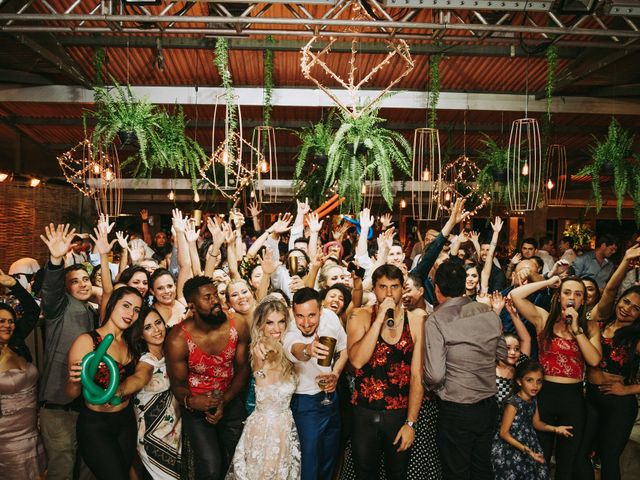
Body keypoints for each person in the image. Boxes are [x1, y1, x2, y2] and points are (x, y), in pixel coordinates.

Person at [510, 275, 602, 479]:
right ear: (558, 296)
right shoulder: (544, 319)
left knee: (567, 462)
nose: (572, 298)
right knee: (539, 457)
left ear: (584, 300)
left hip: (573, 398)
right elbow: (515, 295)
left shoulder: (590, 327)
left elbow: (594, 360)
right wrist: (548, 282)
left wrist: (577, 329)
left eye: (578, 294)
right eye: (567, 292)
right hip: (545, 396)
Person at [423, 261, 507, 480]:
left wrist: (435, 388)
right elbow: (502, 354)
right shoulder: (488, 313)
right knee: (481, 469)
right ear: (463, 285)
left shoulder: (436, 319)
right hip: (488, 405)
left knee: (456, 472)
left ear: (437, 287)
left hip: (457, 408)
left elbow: (435, 375)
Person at [166, 275, 250, 480]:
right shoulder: (178, 338)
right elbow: (177, 384)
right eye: (207, 297)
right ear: (192, 306)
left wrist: (225, 400)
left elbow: (243, 369)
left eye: (215, 295)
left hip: (230, 397)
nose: (215, 301)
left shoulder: (237, 323)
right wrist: (192, 401)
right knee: (211, 468)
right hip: (197, 407)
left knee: (237, 464)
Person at [347, 264, 425, 480]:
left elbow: (417, 375)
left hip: (398, 414)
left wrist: (411, 423)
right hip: (364, 410)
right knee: (364, 473)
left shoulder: (417, 320)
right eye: (383, 287)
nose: (389, 293)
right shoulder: (359, 316)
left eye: (395, 287)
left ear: (403, 289)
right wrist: (379, 319)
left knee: (397, 474)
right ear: (374, 289)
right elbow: (357, 360)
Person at [39, 223, 98, 480]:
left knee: (87, 465)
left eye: (85, 279)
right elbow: (50, 292)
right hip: (57, 405)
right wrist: (55, 260)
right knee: (62, 467)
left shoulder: (92, 312)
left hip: (84, 403)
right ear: (66, 288)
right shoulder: (60, 308)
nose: (83, 285)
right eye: (75, 282)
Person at [66, 286, 143, 480]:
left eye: (136, 310)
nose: (130, 313)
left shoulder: (133, 343)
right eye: (126, 305)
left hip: (126, 422)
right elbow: (71, 394)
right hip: (95, 425)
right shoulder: (87, 341)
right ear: (111, 305)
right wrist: (75, 381)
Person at [226, 297, 301, 480]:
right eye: (270, 323)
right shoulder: (262, 349)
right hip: (266, 430)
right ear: (260, 326)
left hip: (285, 424)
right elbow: (266, 353)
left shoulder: (286, 349)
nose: (277, 329)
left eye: (281, 321)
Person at [283, 287, 348, 480]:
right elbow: (294, 350)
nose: (306, 322)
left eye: (312, 315)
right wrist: (308, 350)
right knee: (309, 466)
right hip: (305, 405)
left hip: (331, 399)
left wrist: (335, 373)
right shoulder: (289, 328)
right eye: (300, 316)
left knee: (329, 460)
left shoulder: (330, 318)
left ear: (321, 310)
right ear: (293, 313)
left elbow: (344, 349)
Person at [116, 308, 182, 479]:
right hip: (152, 435)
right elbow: (139, 377)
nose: (156, 330)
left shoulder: (171, 352)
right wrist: (120, 391)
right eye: (148, 327)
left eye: (158, 323)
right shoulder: (146, 361)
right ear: (140, 335)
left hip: (174, 431)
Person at [491, 360, 573, 480]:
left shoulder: (533, 400)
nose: (535, 386)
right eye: (529, 380)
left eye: (539, 381)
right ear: (519, 381)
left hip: (529, 444)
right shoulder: (513, 403)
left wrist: (556, 429)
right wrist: (526, 450)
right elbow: (503, 433)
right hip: (509, 448)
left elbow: (537, 423)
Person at [0, 279, 47, 478]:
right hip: (6, 436)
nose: (8, 325)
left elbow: (32, 311)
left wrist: (12, 284)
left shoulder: (16, 342)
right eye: (1, 321)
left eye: (10, 321)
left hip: (31, 430)